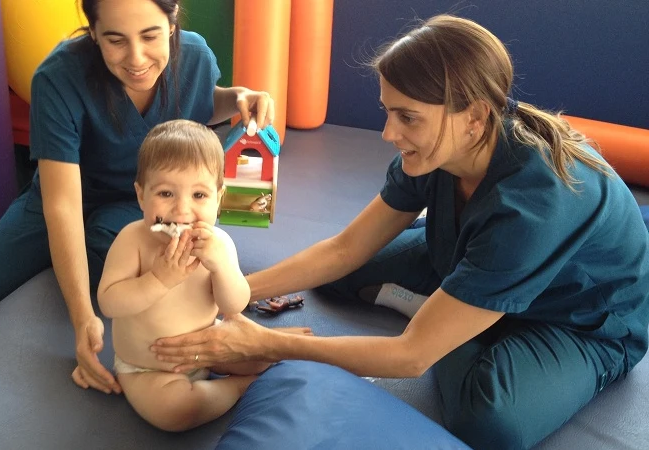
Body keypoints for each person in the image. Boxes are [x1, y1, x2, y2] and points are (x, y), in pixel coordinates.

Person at [150, 14, 649, 450]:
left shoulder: (533, 205)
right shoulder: (438, 150)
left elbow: (411, 357)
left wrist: (263, 344)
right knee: (341, 276)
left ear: (474, 118)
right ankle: (462, 301)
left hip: (578, 320)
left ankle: (464, 310)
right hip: (474, 256)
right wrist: (228, 291)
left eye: (406, 117)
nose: (389, 134)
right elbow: (346, 248)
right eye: (388, 111)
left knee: (489, 421)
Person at [0, 0, 274, 398]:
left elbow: (201, 97)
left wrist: (237, 96)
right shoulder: (59, 77)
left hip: (140, 201)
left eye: (150, 36)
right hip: (64, 195)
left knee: (111, 257)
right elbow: (62, 204)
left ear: (171, 21)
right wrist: (82, 319)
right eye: (115, 40)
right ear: (94, 32)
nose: (136, 58)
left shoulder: (195, 56)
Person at [97, 119, 267, 431]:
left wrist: (222, 267)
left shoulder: (219, 244)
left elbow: (234, 305)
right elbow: (110, 302)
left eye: (199, 196)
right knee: (176, 410)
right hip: (148, 370)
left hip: (208, 348)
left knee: (262, 354)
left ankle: (250, 372)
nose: (182, 210)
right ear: (141, 196)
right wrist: (157, 280)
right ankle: (239, 387)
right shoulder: (133, 240)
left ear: (219, 198)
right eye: (165, 193)